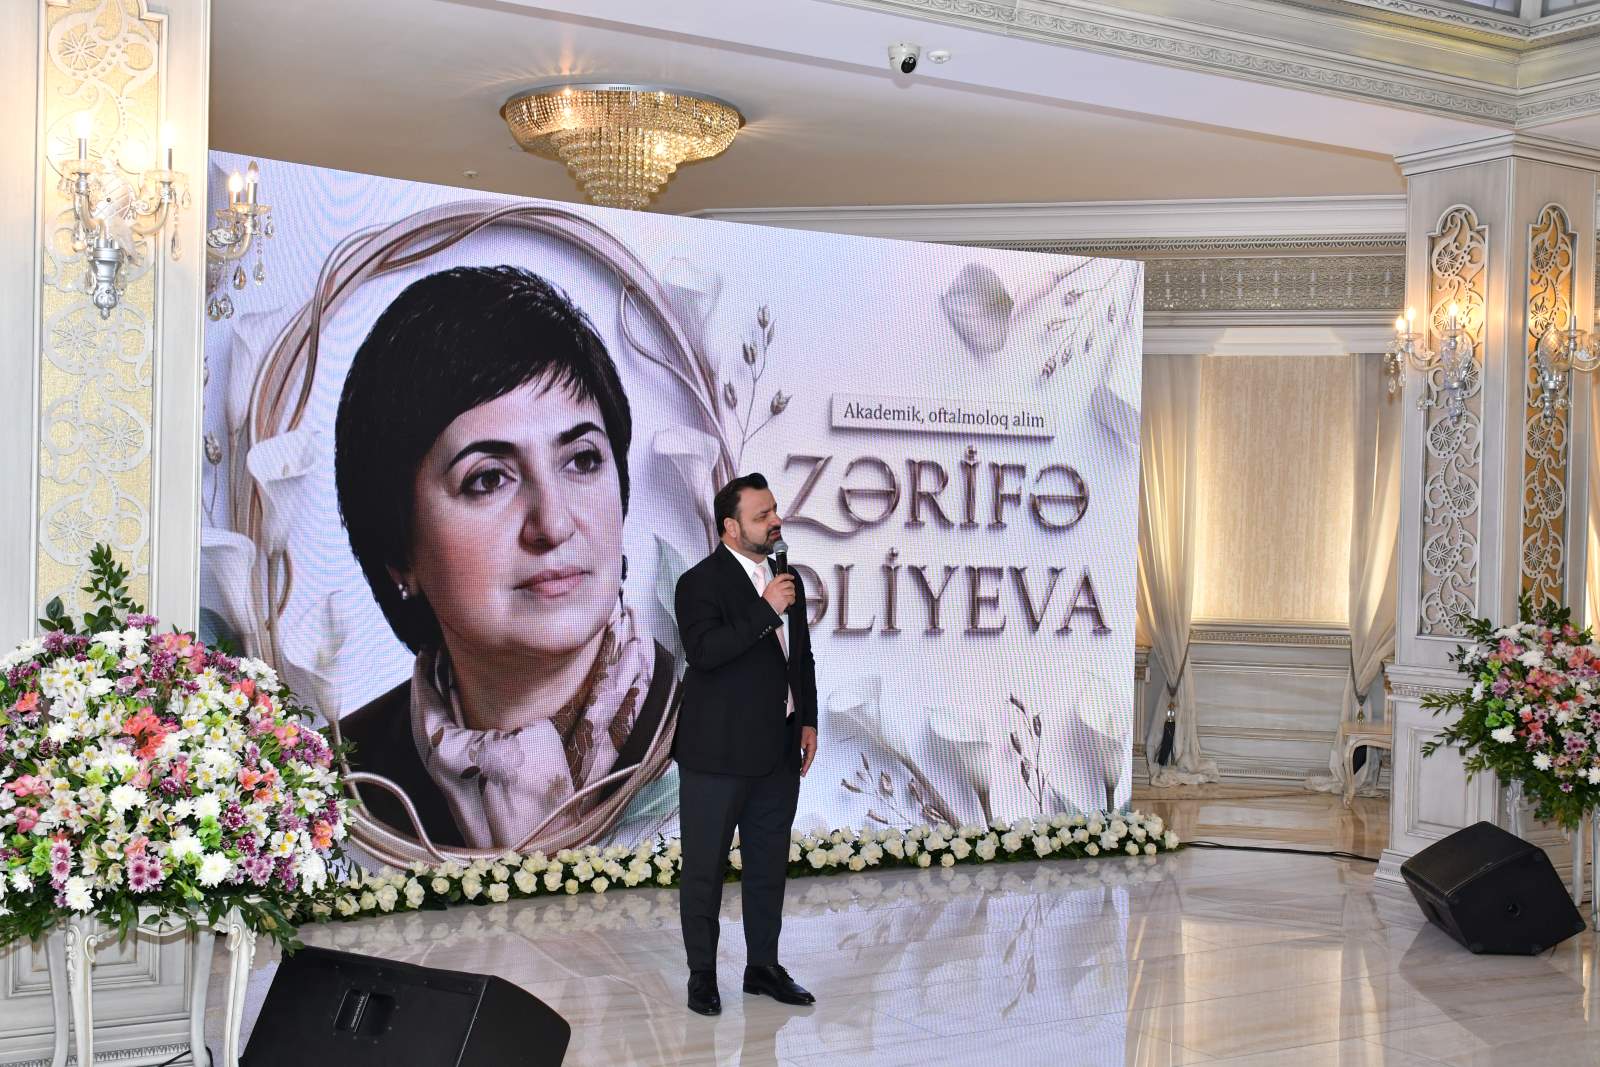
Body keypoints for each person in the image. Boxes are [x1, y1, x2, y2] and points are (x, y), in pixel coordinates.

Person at [333, 265, 677, 855]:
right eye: (488, 478)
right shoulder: (327, 787)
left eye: (582, 460)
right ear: (398, 551)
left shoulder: (724, 735)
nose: (553, 524)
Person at [673, 473, 819, 1016]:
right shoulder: (699, 582)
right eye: (762, 515)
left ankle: (763, 967)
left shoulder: (787, 578)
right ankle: (702, 976)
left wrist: (807, 720)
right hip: (716, 756)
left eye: (774, 510)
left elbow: (800, 656)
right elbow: (705, 652)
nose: (776, 521)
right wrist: (765, 608)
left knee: (768, 865)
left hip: (777, 750)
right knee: (705, 870)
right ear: (731, 527)